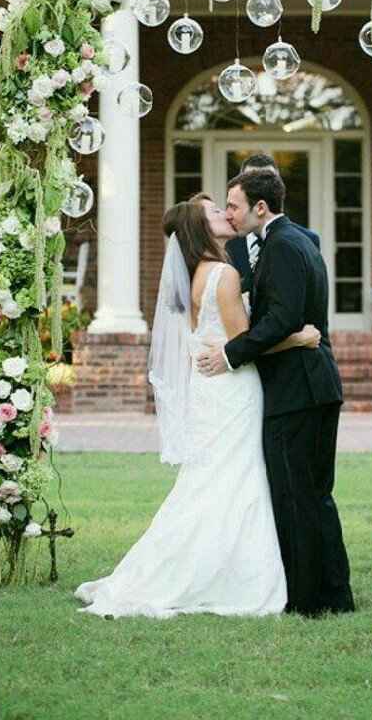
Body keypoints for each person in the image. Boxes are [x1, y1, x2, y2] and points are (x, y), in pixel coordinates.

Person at [74, 195, 321, 619]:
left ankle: (203, 568)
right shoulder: (223, 274)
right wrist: (298, 337)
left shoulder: (196, 275)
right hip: (232, 390)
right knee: (235, 478)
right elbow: (248, 343)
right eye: (214, 211)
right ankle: (230, 577)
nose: (225, 214)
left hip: (211, 391)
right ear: (201, 228)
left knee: (210, 481)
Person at [197, 169, 355, 617]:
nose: (229, 213)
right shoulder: (295, 240)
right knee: (316, 493)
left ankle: (307, 600)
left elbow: (280, 321)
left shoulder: (283, 246)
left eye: (234, 205)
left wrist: (230, 354)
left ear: (259, 207)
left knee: (296, 494)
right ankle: (335, 595)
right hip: (314, 383)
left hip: (298, 388)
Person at [224, 153, 319, 293]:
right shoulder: (226, 242)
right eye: (252, 183)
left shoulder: (308, 240)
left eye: (267, 181)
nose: (260, 189)